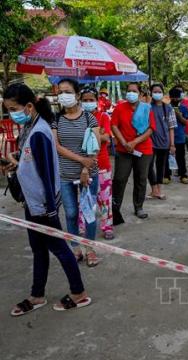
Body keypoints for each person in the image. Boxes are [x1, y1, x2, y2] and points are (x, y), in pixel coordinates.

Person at [2, 84, 91, 315]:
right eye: (8, 109)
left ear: (29, 107)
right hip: (32, 204)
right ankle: (37, 294)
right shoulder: (29, 128)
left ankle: (79, 293)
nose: (12, 114)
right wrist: (17, 162)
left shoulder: (40, 132)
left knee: (60, 249)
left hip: (43, 206)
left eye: (14, 109)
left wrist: (51, 210)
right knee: (38, 249)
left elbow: (48, 174)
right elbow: (32, 163)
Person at [52, 78, 101, 267]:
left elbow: (94, 148)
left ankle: (90, 249)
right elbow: (56, 146)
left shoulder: (90, 118)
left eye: (67, 91)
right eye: (60, 92)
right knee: (71, 213)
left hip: (88, 174)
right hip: (65, 174)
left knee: (89, 213)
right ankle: (75, 248)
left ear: (77, 95)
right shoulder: (56, 119)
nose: (63, 95)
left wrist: (85, 168)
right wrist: (81, 160)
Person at [111, 82, 155, 222]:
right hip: (123, 150)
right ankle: (115, 208)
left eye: (134, 91)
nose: (131, 93)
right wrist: (124, 143)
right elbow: (114, 126)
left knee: (141, 179)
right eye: (129, 90)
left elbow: (151, 129)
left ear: (140, 94)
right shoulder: (119, 107)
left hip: (143, 150)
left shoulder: (147, 108)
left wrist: (134, 142)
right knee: (119, 179)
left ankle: (139, 207)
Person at [80, 87, 114, 240]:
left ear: (97, 101)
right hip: (81, 166)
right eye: (85, 100)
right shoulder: (77, 118)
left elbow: (107, 137)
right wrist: (97, 134)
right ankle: (82, 227)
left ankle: (107, 227)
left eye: (91, 100)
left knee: (104, 199)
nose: (88, 103)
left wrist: (90, 136)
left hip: (102, 164)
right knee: (84, 198)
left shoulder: (104, 116)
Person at [147, 83, 176, 198]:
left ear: (163, 93)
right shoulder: (147, 107)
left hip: (164, 143)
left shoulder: (168, 108)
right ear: (151, 93)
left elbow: (171, 127)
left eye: (159, 91)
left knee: (161, 167)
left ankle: (159, 190)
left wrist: (172, 144)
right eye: (155, 91)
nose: (157, 94)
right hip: (150, 142)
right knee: (148, 166)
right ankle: (154, 189)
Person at [169, 87, 188, 184]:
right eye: (173, 98)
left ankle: (183, 175)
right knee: (167, 157)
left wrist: (179, 115)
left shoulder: (184, 108)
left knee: (180, 157)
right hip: (168, 137)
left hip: (180, 136)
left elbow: (186, 122)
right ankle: (166, 175)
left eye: (177, 98)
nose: (175, 100)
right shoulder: (167, 107)